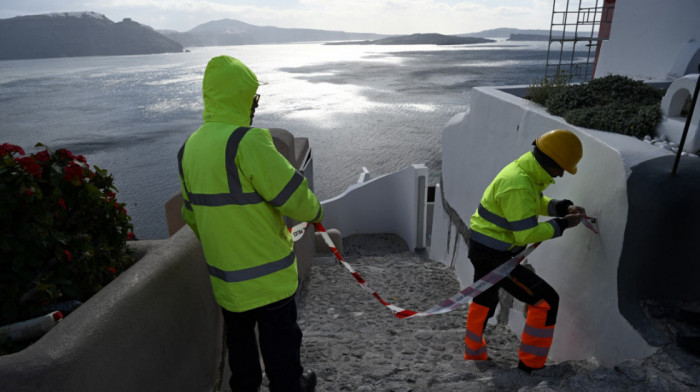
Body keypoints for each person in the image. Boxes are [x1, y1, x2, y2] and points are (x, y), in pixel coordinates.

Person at [178, 55, 323, 392]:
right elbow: (293, 196)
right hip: (270, 280)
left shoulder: (189, 149)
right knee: (282, 358)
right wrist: (316, 213)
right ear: (239, 96)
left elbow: (191, 216)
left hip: (228, 284)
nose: (255, 105)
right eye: (253, 97)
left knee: (242, 365)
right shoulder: (248, 141)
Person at [463, 129, 586, 373]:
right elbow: (526, 234)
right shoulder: (519, 183)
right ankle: (530, 368)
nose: (561, 175)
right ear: (550, 162)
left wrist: (561, 207)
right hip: (494, 255)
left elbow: (532, 202)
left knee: (484, 298)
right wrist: (563, 224)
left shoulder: (526, 172)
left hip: (486, 248)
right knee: (546, 301)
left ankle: (474, 352)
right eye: (561, 168)